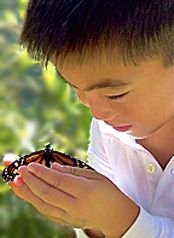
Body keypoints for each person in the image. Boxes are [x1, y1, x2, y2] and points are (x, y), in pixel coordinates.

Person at [4, 1, 174, 237]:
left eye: (115, 94)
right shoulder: (109, 129)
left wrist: (119, 219)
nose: (97, 113)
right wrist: (87, 218)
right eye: (76, 88)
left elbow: (118, 223)